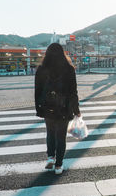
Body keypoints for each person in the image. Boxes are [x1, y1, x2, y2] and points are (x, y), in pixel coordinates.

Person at [34, 43, 81, 175]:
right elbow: (73, 91)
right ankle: (59, 166)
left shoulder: (42, 69)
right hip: (64, 107)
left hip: (47, 106)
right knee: (61, 137)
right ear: (62, 53)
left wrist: (38, 107)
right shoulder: (69, 69)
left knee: (50, 132)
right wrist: (76, 108)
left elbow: (37, 91)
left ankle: (50, 157)